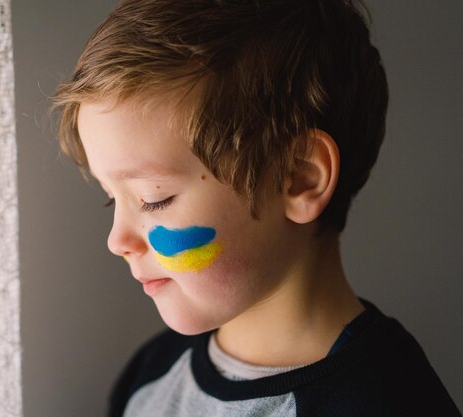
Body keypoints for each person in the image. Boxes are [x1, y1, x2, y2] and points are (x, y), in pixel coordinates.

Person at [52, 0, 461, 416]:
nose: (116, 240)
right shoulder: (152, 373)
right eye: (111, 197)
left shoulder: (388, 402)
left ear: (299, 178)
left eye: (153, 198)